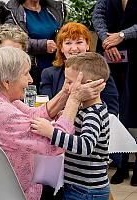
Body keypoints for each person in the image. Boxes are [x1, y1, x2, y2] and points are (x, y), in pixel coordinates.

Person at [0, 46, 105, 200]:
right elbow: (55, 146)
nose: (30, 80)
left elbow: (32, 116)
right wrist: (74, 100)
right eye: (25, 74)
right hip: (6, 191)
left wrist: (66, 92)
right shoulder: (3, 113)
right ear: (7, 82)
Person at [31, 52, 110, 199]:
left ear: (88, 85)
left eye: (69, 82)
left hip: (86, 190)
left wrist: (51, 133)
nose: (65, 87)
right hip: (77, 186)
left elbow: (86, 146)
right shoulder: (84, 109)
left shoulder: (93, 114)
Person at [92, 0, 137, 185]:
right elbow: (98, 16)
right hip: (111, 56)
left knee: (135, 109)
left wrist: (122, 35)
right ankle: (121, 164)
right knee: (114, 110)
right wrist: (107, 41)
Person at [40, 22, 119, 116]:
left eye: (79, 42)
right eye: (68, 43)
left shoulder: (99, 70)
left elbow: (112, 110)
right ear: (61, 48)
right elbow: (45, 108)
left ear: (87, 45)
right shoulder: (48, 74)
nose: (74, 48)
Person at [0, 0, 66, 91]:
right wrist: (43, 45)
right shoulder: (12, 11)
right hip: (28, 69)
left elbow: (63, 33)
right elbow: (12, 41)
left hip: (55, 67)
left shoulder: (55, 8)